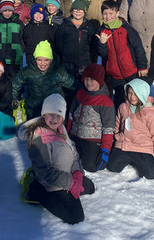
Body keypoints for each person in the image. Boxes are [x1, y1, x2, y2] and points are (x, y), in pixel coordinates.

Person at [17, 94, 95, 225]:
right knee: (75, 217)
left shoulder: (61, 129)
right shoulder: (39, 138)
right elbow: (45, 172)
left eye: (59, 116)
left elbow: (74, 152)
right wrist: (70, 182)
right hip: (51, 183)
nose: (54, 119)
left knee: (90, 187)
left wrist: (77, 174)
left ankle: (70, 185)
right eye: (51, 114)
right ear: (44, 115)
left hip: (68, 176)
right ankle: (37, 191)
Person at [107, 79, 154, 179]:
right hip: (125, 145)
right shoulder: (123, 107)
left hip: (142, 147)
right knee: (112, 167)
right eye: (130, 93)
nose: (132, 97)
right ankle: (129, 159)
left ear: (142, 94)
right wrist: (116, 137)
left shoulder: (150, 112)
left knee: (151, 174)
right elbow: (118, 124)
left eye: (136, 94)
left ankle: (152, 160)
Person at [96, 0, 148, 110]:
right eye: (105, 14)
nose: (108, 16)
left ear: (117, 13)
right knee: (120, 101)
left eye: (111, 13)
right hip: (115, 74)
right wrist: (102, 43)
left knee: (135, 99)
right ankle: (121, 123)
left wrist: (142, 66)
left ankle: (138, 123)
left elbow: (138, 47)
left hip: (131, 71)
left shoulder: (126, 29)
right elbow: (102, 54)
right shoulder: (101, 31)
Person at [67, 64, 115, 173]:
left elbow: (108, 128)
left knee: (90, 166)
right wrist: (67, 135)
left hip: (93, 139)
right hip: (76, 136)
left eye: (92, 79)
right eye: (86, 79)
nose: (88, 82)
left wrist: (105, 150)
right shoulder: (80, 94)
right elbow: (71, 116)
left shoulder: (105, 101)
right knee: (67, 160)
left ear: (100, 81)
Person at [12, 40, 75, 120]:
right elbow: (16, 85)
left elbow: (73, 85)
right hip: (34, 110)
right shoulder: (27, 72)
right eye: (39, 60)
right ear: (35, 59)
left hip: (53, 110)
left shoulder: (58, 71)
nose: (42, 63)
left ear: (51, 60)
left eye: (46, 60)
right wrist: (14, 98)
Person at [55, 0, 99, 80]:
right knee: (68, 86)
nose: (77, 12)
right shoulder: (64, 26)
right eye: (75, 10)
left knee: (82, 85)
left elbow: (92, 45)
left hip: (84, 63)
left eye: (80, 10)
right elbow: (59, 44)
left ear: (85, 12)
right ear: (71, 11)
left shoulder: (89, 27)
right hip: (67, 62)